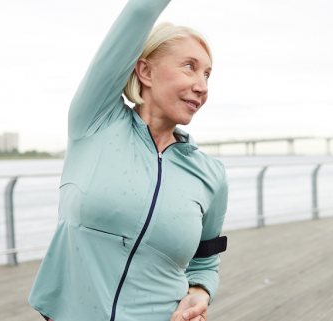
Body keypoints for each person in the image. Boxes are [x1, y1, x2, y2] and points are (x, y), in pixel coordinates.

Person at [28, 0, 228, 320]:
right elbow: (140, 10)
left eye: (208, 74)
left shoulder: (210, 174)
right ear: (145, 71)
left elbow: (205, 258)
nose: (202, 86)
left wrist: (200, 290)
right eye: (189, 66)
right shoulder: (96, 122)